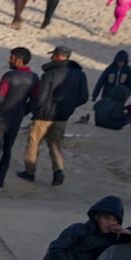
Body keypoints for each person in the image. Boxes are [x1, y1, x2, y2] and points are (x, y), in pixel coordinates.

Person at [18, 46, 88, 186]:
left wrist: (35, 110)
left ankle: (30, 172)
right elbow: (83, 97)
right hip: (62, 116)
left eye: (53, 55)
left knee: (33, 143)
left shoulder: (50, 74)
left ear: (57, 56)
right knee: (55, 145)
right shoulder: (80, 75)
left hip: (44, 115)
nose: (51, 58)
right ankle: (58, 171)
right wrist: (69, 107)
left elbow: (40, 97)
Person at [0, 47, 34, 197]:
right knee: (7, 149)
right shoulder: (34, 78)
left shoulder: (9, 76)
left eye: (11, 58)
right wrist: (24, 110)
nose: (8, 60)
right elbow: (37, 100)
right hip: (16, 118)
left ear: (18, 59)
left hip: (0, 117)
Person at [90, 51, 131, 129]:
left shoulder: (128, 70)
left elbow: (130, 85)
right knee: (106, 109)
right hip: (107, 95)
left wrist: (126, 96)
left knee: (116, 111)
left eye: (122, 62)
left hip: (120, 96)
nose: (120, 63)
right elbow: (101, 81)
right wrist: (95, 94)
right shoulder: (110, 69)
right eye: (119, 61)